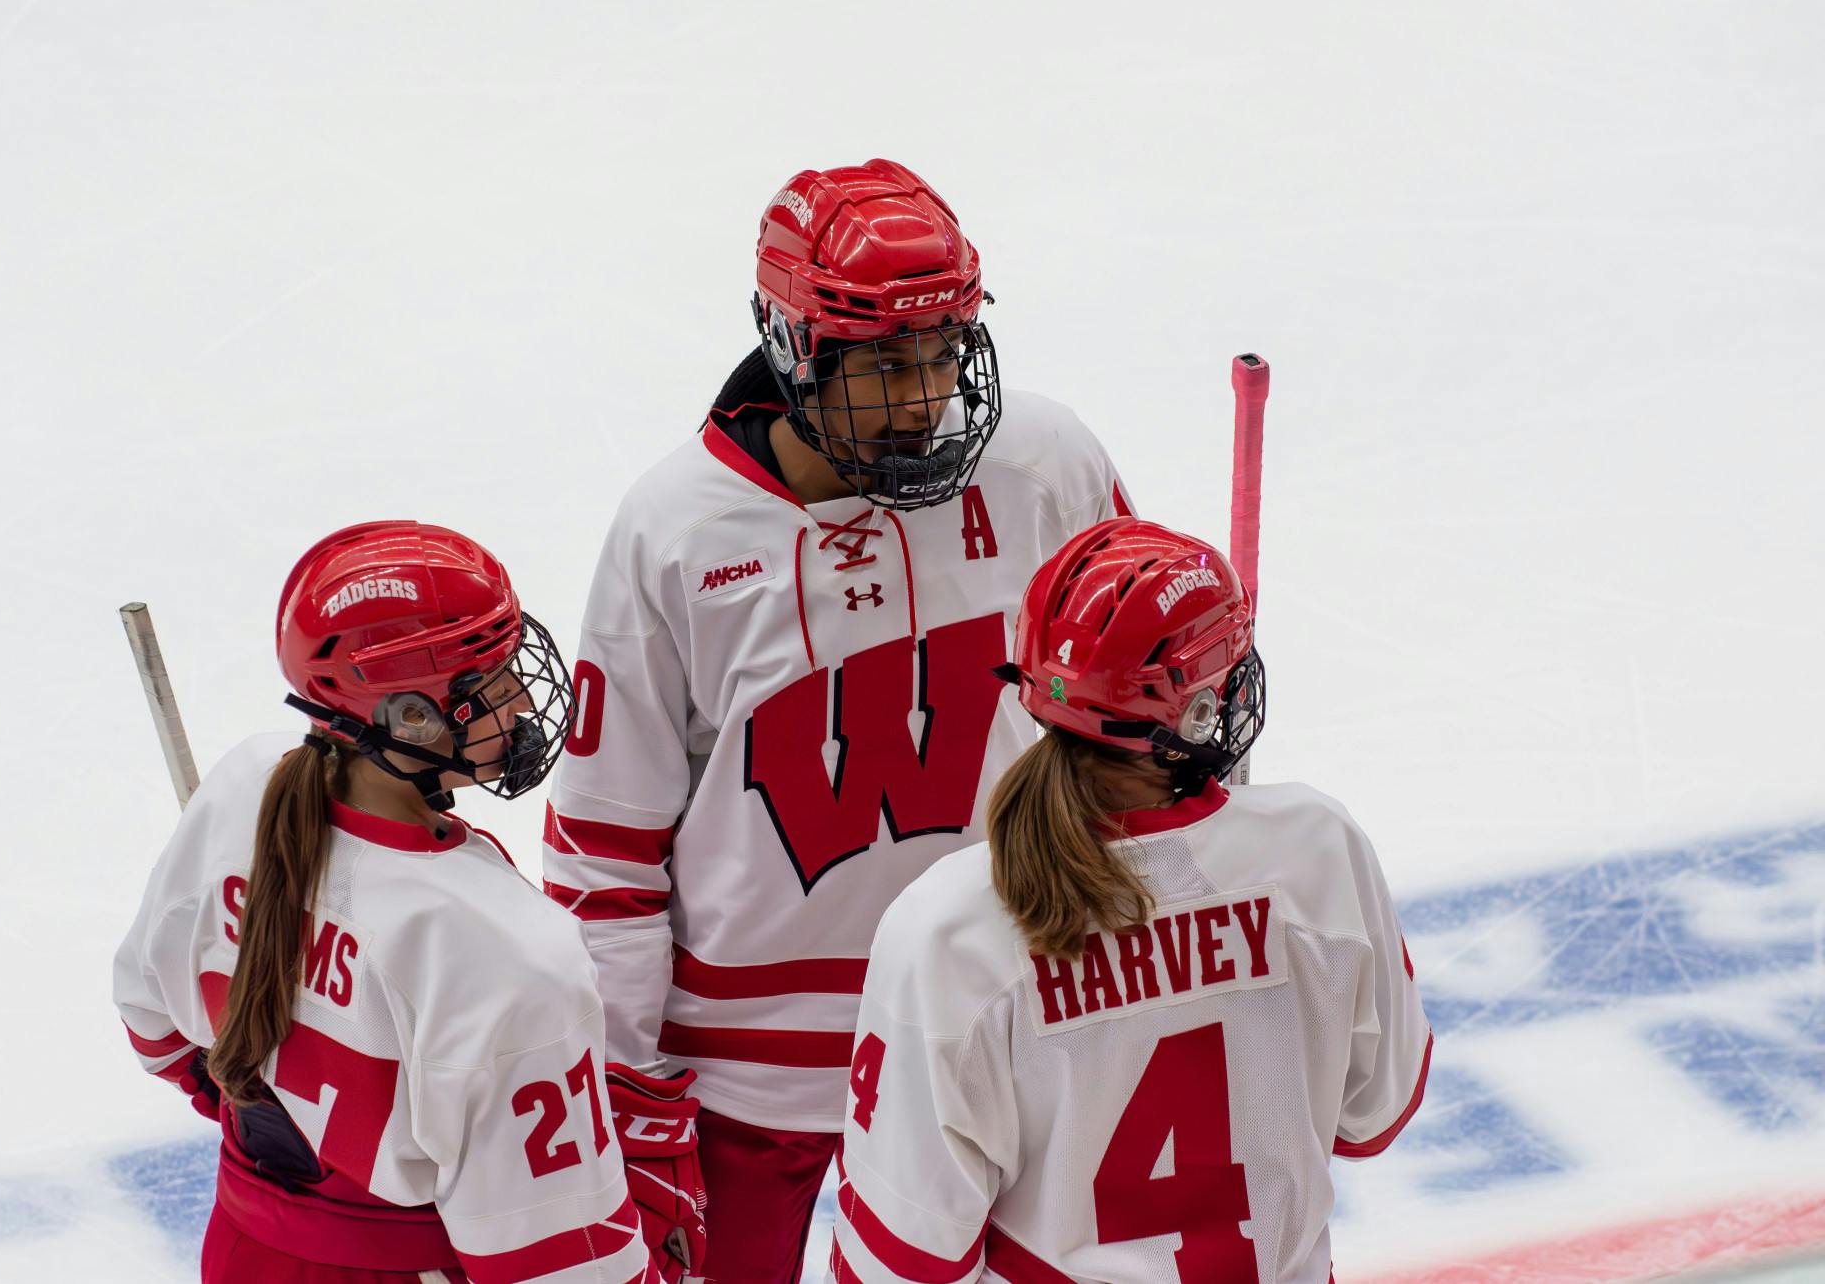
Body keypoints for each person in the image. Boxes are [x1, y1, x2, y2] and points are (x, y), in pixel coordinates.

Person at [543, 159, 1138, 1281]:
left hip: (1003, 1015)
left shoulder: (1046, 463)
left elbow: (1149, 718)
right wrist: (617, 1084)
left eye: (941, 352)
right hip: (747, 1075)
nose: (922, 398)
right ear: (792, 342)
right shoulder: (676, 530)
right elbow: (604, 845)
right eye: (883, 363)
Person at [830, 518, 1433, 1284]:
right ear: (1196, 713)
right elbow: (1373, 1115)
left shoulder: (948, 925)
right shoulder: (1317, 847)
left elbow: (903, 1257)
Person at [113, 521, 705, 1284]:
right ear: (410, 719)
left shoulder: (243, 789)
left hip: (246, 1247)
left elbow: (151, 1019)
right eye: (491, 681)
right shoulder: (508, 946)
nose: (524, 696)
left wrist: (287, 1134)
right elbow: (559, 1260)